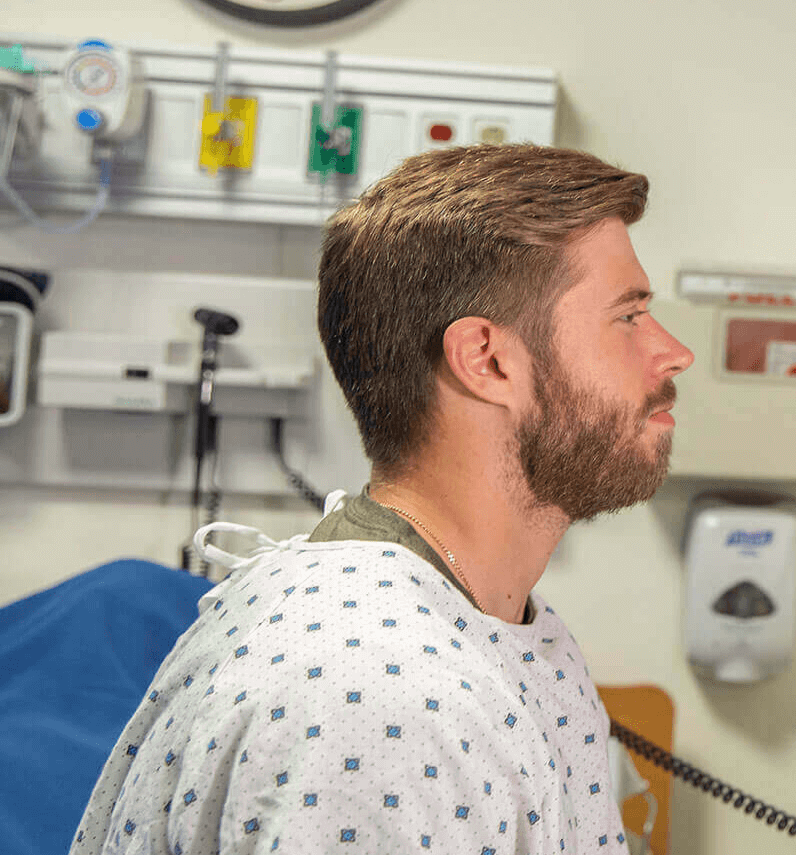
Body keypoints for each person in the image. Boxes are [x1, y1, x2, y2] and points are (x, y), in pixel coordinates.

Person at [73, 144, 694, 853]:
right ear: (486, 360)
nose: (674, 352)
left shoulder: (496, 629)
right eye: (628, 316)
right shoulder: (372, 701)